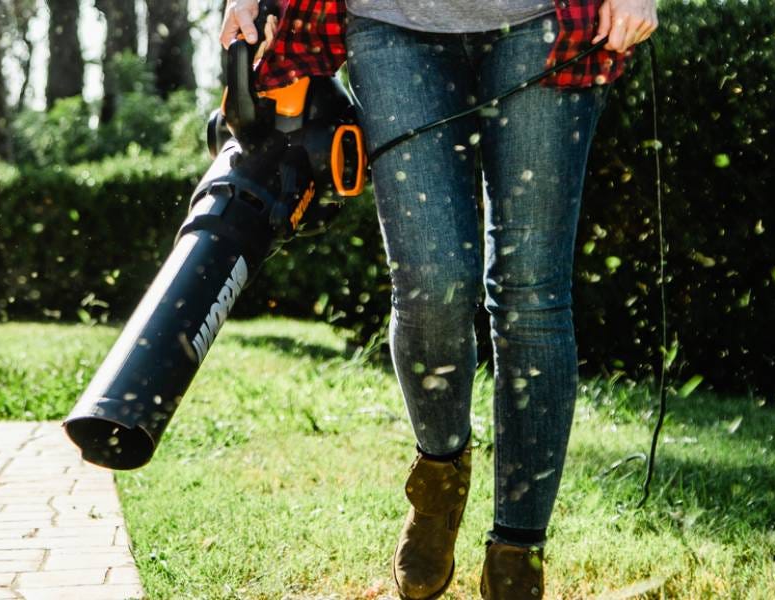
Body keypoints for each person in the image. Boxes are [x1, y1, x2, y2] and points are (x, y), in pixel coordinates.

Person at [221, 0, 657, 598]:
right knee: (431, 285)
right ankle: (439, 481)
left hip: (544, 20)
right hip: (392, 22)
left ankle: (518, 550)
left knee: (532, 291)